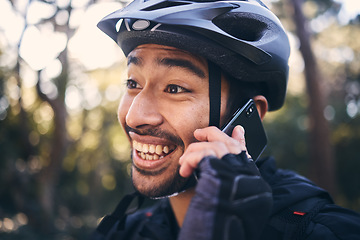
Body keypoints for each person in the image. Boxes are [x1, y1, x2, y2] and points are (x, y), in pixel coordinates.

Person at [91, 0, 360, 239]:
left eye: (174, 88)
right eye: (132, 83)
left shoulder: (326, 230)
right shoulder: (125, 231)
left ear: (247, 115)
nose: (135, 116)